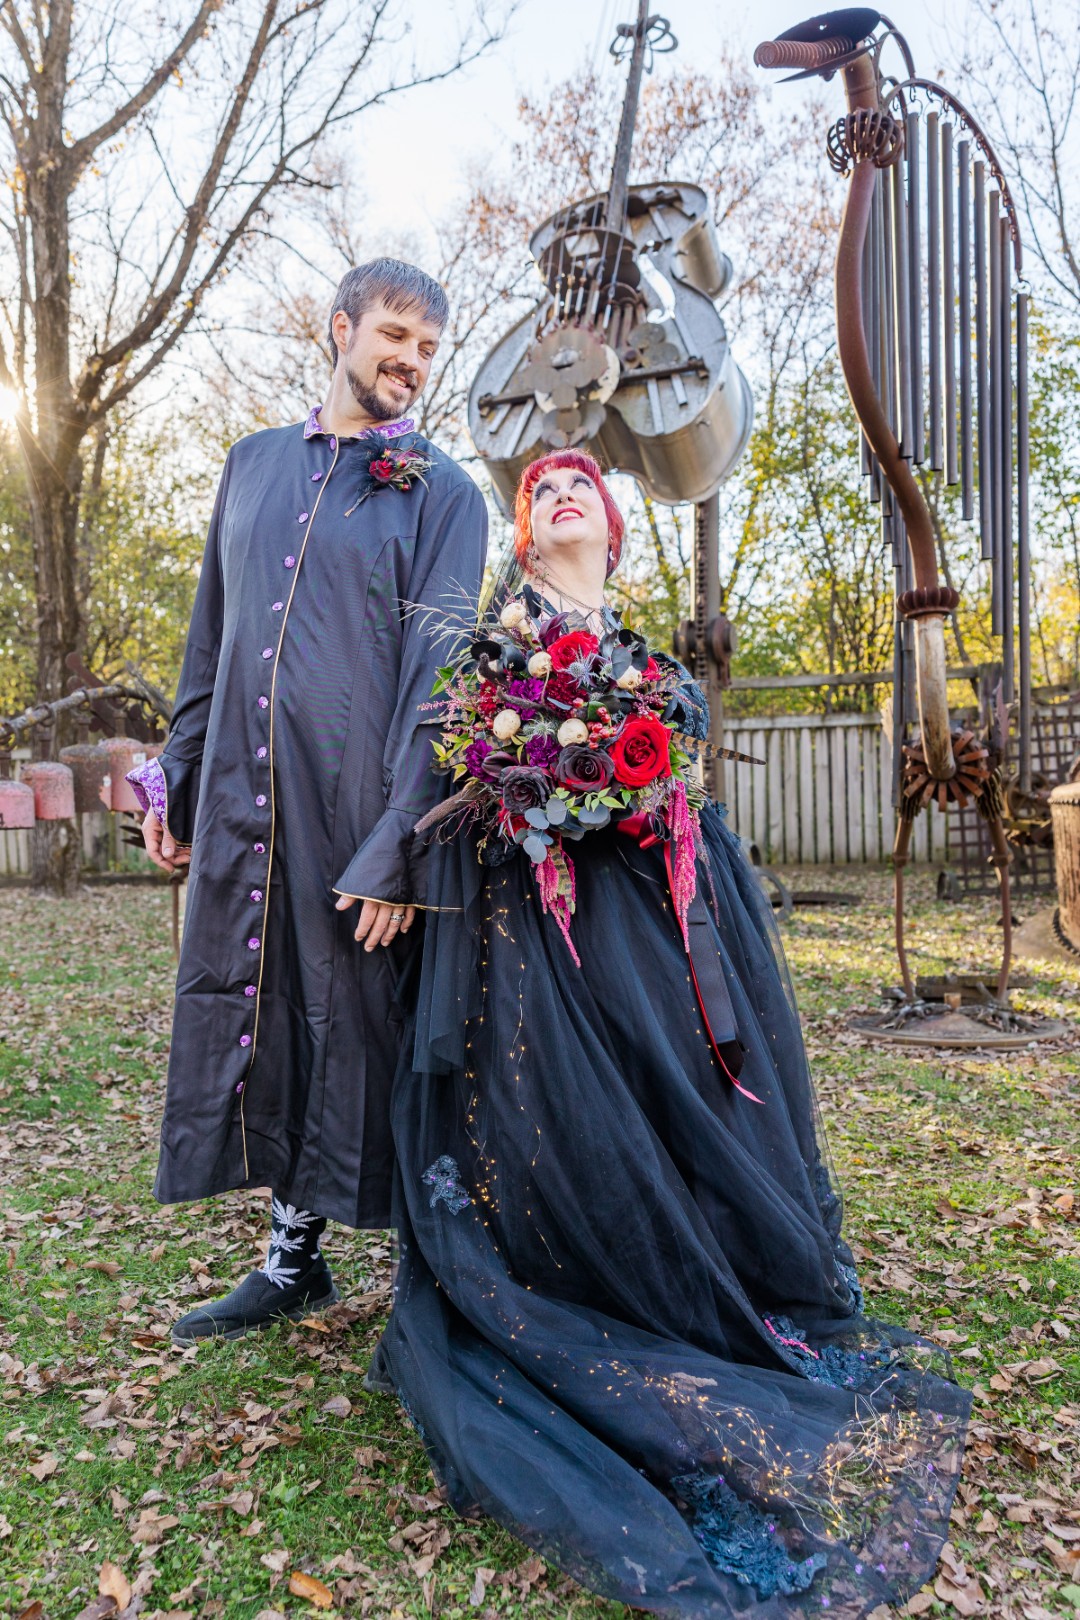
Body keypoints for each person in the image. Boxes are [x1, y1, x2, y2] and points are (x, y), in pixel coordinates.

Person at [368, 449, 970, 1618]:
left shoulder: (658, 669)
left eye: (582, 485)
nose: (562, 495)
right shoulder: (486, 657)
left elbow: (681, 790)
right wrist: (537, 763)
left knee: (679, 1101)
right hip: (535, 935)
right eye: (540, 491)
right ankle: (575, 1266)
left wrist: (627, 772)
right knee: (562, 1114)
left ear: (615, 530)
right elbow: (456, 774)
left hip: (662, 923)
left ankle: (695, 1269)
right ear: (526, 539)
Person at [127, 258, 487, 1344]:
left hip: (363, 814)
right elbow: (209, 647)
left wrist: (400, 849)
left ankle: (454, 1272)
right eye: (394, 335)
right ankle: (292, 1263)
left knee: (378, 1031)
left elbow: (444, 686)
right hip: (245, 805)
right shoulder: (250, 466)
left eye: (427, 348)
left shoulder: (448, 492)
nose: (412, 362)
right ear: (340, 328)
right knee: (271, 1014)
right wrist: (174, 782)